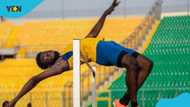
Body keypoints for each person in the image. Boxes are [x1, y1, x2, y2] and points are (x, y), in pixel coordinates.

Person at [3, 0, 153, 107]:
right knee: (132, 64)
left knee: (147, 64)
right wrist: (15, 100)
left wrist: (106, 13)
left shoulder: (70, 47)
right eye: (45, 58)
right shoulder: (60, 64)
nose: (47, 54)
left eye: (45, 53)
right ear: (48, 65)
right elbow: (35, 79)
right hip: (100, 52)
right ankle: (133, 104)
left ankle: (122, 103)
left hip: (107, 44)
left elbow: (92, 34)